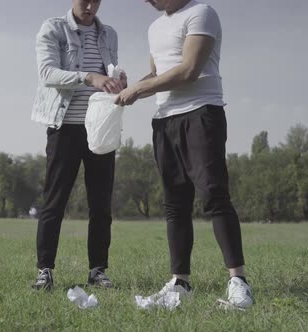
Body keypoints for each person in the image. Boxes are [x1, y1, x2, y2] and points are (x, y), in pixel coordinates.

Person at [115, 0, 253, 308]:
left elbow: (190, 70)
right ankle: (180, 282)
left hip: (201, 113)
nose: (145, 1)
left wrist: (138, 91)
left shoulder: (201, 13)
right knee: (174, 204)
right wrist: (132, 86)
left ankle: (238, 282)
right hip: (165, 119)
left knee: (214, 195)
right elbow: (156, 73)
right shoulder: (154, 27)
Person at [30, 0, 127, 290]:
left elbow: (108, 74)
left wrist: (117, 80)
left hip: (99, 127)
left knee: (101, 204)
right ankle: (44, 270)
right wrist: (90, 77)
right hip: (65, 128)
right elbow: (47, 73)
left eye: (96, 0)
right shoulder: (53, 29)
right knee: (54, 201)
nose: (89, 5)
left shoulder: (109, 34)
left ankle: (97, 270)